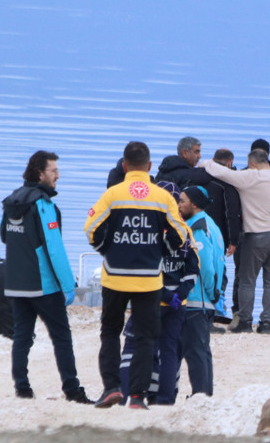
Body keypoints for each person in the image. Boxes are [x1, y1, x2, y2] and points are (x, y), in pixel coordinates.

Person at [85, 141, 189, 409]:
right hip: (148, 279)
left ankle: (111, 388)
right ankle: (137, 397)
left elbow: (91, 230)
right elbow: (180, 236)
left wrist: (108, 250)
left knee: (110, 332)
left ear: (124, 165)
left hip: (114, 277)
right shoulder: (162, 197)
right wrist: (160, 248)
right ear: (150, 166)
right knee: (145, 337)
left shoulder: (112, 194)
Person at [1, 151, 93, 404]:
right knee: (62, 337)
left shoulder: (11, 201)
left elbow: (4, 236)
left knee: (22, 336)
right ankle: (72, 390)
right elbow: (54, 248)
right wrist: (67, 285)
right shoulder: (43, 204)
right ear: (40, 173)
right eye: (54, 170)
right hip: (43, 285)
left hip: (17, 284)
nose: (58, 175)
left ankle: (22, 388)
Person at [202, 149, 270, 334]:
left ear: (252, 164)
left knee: (247, 280)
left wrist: (205, 163)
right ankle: (267, 322)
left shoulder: (250, 177)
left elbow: (222, 172)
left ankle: (245, 321)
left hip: (257, 235)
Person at [117, 181, 197, 405]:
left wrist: (162, 294)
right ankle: (164, 398)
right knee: (169, 350)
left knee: (134, 345)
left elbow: (140, 266)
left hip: (149, 300)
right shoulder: (184, 229)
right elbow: (193, 268)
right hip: (176, 304)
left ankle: (127, 393)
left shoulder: (146, 228)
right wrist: (179, 294)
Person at [178, 186, 224, 395]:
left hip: (198, 298)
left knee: (195, 351)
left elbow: (204, 264)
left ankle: (200, 395)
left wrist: (209, 292)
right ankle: (204, 394)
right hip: (204, 297)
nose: (178, 205)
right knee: (201, 351)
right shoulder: (210, 224)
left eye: (182, 201)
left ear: (194, 204)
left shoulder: (197, 226)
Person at [202, 148, 242, 326]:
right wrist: (234, 240)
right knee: (219, 272)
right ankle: (217, 308)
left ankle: (200, 306)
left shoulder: (199, 177)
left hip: (197, 229)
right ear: (230, 162)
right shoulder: (228, 182)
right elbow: (232, 213)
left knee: (201, 268)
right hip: (219, 235)